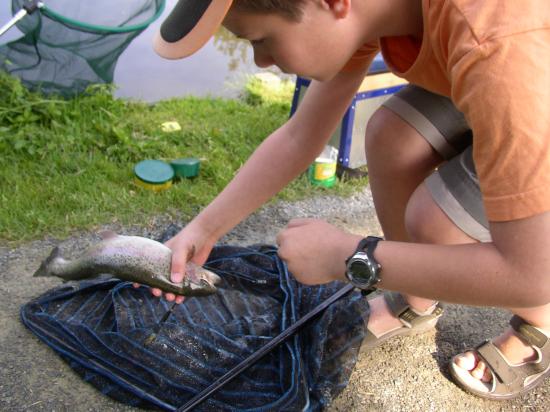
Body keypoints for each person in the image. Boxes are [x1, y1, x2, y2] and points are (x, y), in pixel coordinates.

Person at [147, 0, 550, 400]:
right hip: (512, 79)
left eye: (263, 39)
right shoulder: (365, 13)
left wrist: (352, 257)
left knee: (435, 221)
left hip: (524, 72)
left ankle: (540, 324)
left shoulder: (497, 45)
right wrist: (204, 228)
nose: (262, 61)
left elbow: (531, 275)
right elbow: (299, 136)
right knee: (392, 137)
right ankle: (416, 296)